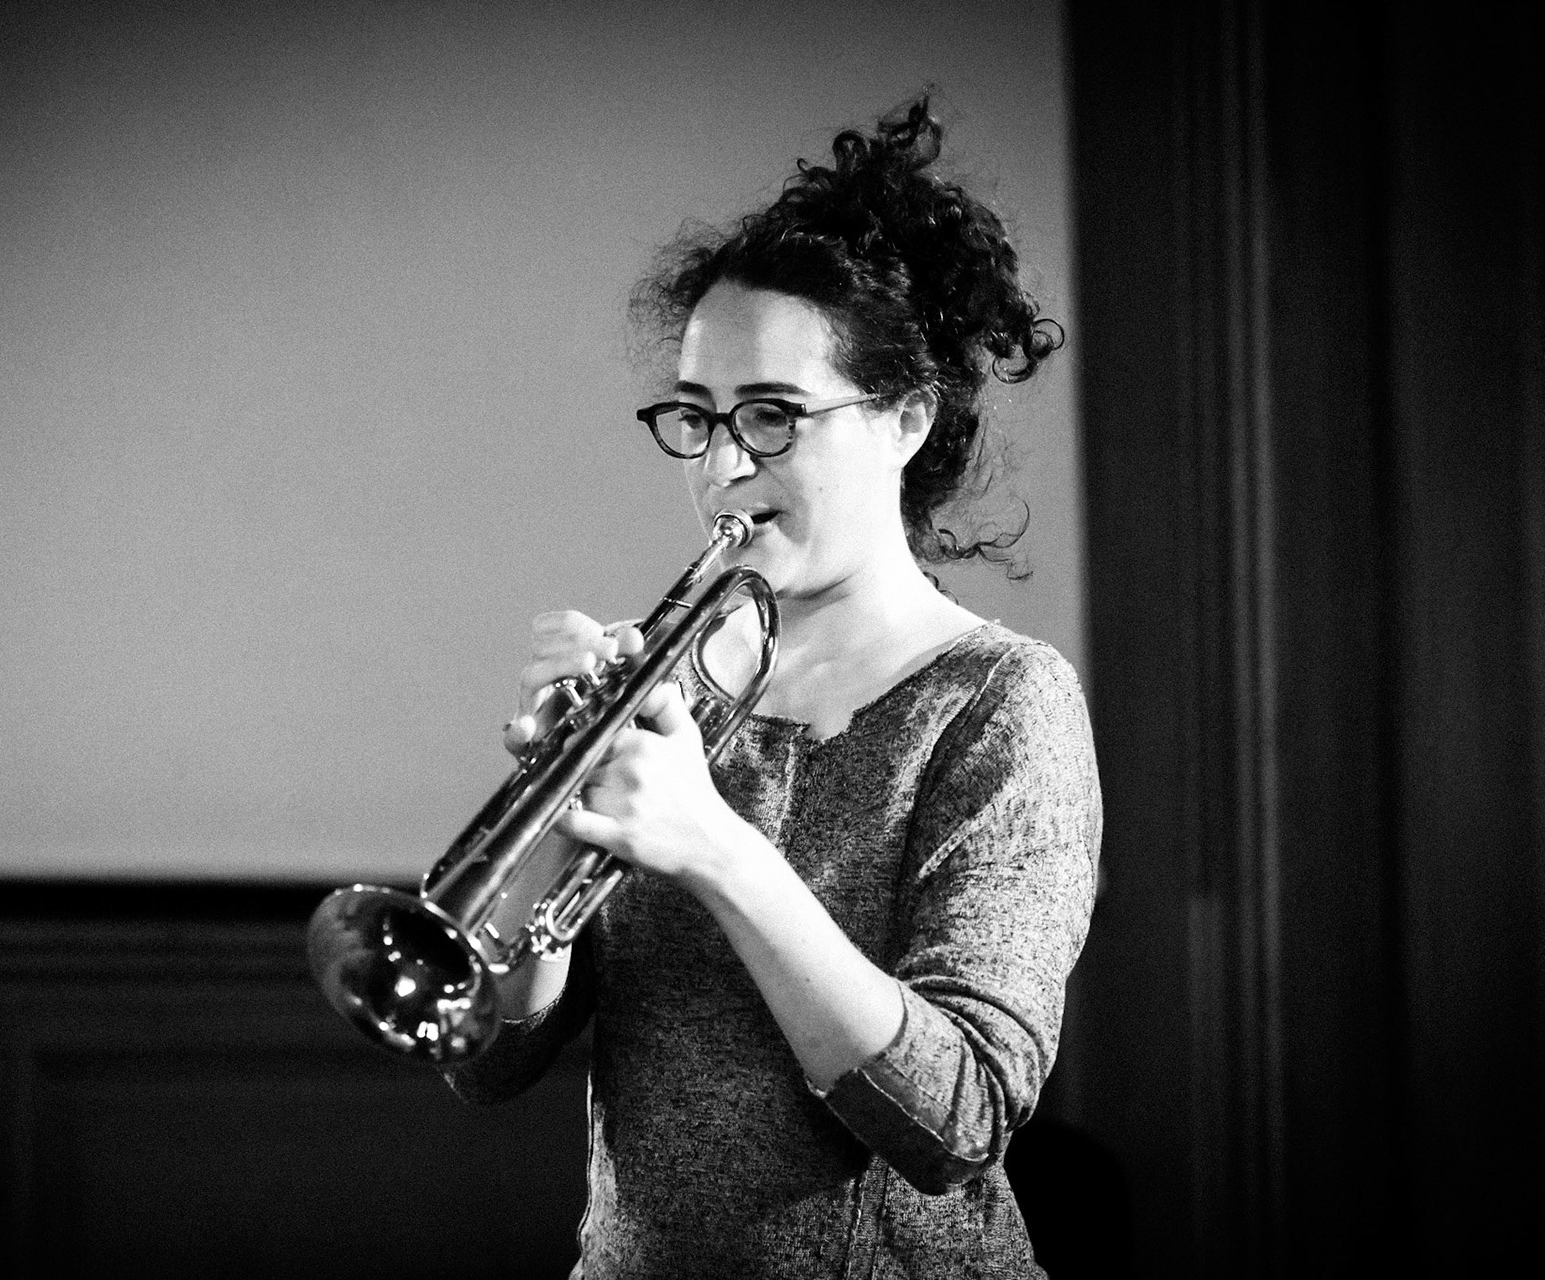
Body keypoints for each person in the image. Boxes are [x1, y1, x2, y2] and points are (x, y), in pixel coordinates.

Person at [447, 98, 1101, 1279]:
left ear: (904, 418)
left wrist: (717, 845)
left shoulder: (1001, 704)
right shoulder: (666, 683)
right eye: (697, 418)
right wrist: (548, 823)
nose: (723, 465)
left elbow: (955, 1118)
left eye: (771, 417)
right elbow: (489, 1063)